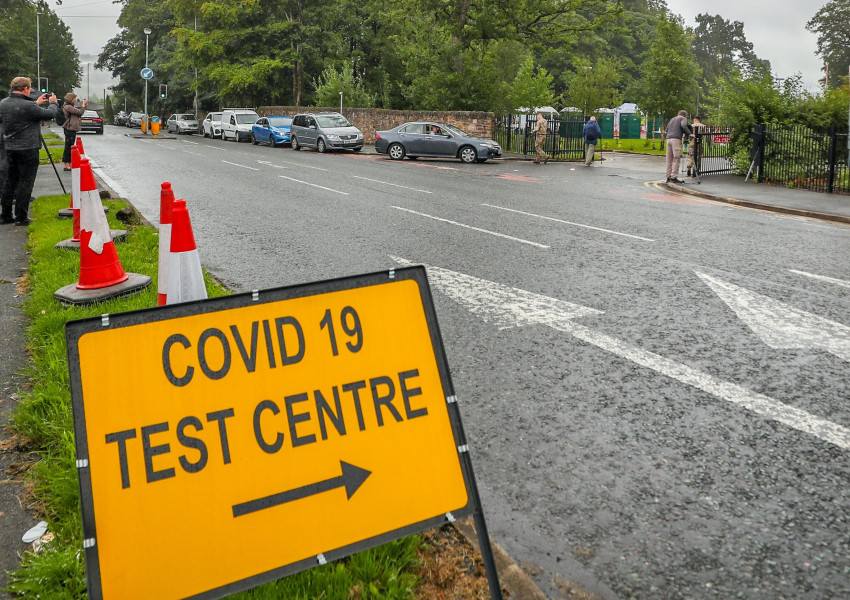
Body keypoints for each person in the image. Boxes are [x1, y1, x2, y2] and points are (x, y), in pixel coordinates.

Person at [0, 77, 59, 225]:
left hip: (10, 147)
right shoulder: (28, 106)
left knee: (10, 181)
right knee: (25, 183)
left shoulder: (4, 103)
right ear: (26, 89)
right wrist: (53, 103)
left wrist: (35, 103)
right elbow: (49, 115)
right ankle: (21, 216)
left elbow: (20, 111)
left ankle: (5, 214)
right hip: (28, 148)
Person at [664, 109, 693, 184]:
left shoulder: (672, 119)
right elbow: (683, 125)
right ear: (684, 115)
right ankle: (674, 177)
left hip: (668, 139)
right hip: (676, 139)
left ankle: (668, 177)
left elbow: (666, 129)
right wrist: (689, 133)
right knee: (676, 158)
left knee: (669, 159)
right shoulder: (683, 118)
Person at [61, 92, 86, 170]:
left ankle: (70, 163)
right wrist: (83, 105)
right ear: (71, 99)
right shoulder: (68, 107)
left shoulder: (68, 106)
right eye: (74, 98)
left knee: (70, 146)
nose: (75, 100)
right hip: (69, 128)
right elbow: (79, 112)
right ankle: (66, 164)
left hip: (71, 128)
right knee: (68, 146)